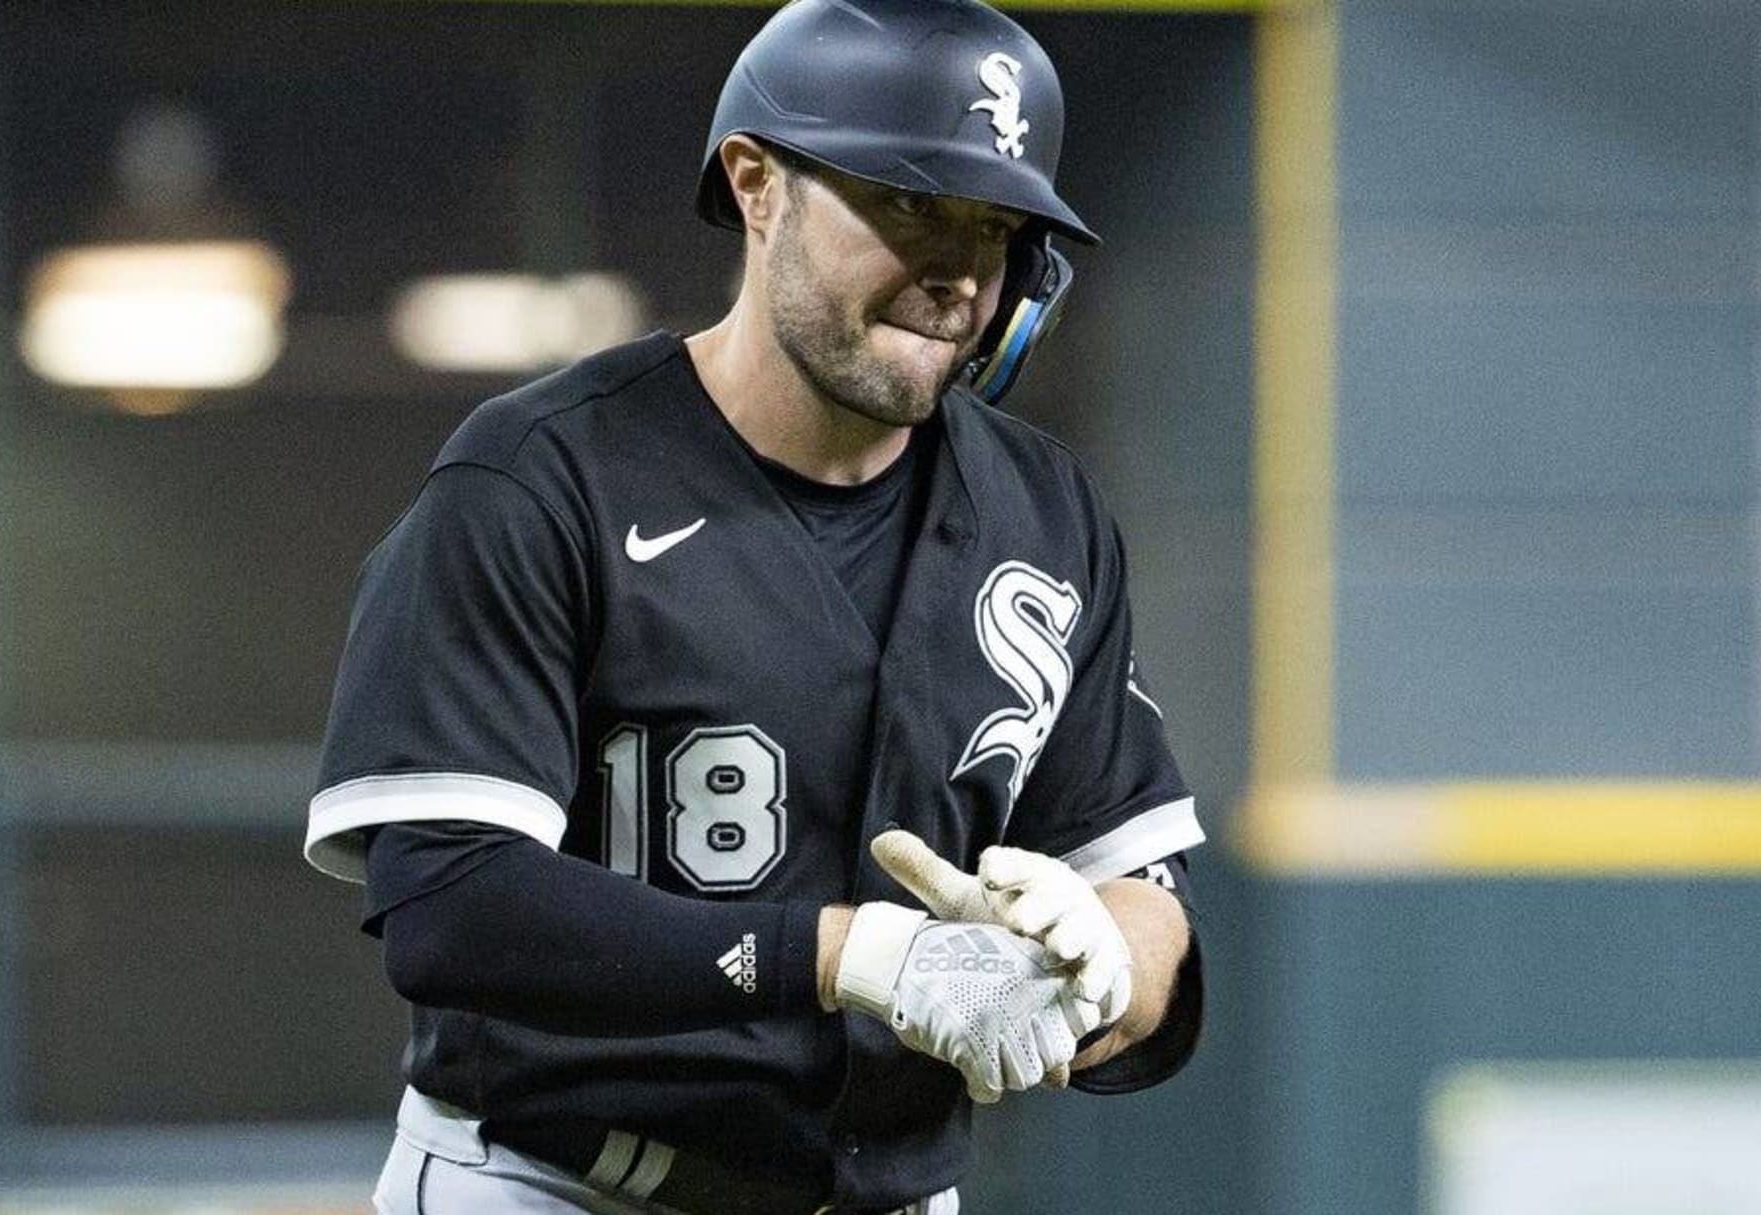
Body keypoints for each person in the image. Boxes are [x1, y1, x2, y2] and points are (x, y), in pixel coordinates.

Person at [303, 1, 1208, 1211]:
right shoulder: (542, 476)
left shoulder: (1043, 514)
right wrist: (849, 956)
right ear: (756, 184)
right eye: (906, 202)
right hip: (556, 1184)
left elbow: (1150, 898)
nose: (954, 270)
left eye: (996, 226)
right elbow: (448, 903)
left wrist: (1101, 964)